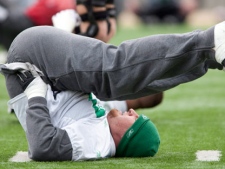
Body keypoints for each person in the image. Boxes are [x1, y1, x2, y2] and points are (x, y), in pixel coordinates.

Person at [1, 18, 225, 161]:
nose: (134, 113)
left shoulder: (96, 142)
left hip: (33, 65)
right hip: (46, 68)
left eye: (137, 120)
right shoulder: (101, 129)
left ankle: (208, 41)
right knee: (134, 85)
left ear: (128, 136)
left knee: (114, 73)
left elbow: (44, 147)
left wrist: (35, 92)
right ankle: (207, 58)